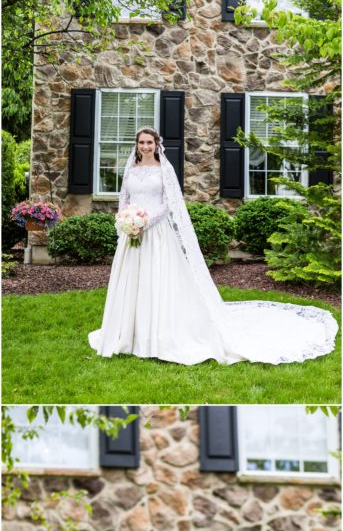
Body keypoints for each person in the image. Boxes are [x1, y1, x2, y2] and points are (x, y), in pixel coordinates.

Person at [88, 127, 337, 365]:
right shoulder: (130, 169)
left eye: (149, 142)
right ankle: (127, 332)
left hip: (156, 233)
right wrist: (125, 220)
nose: (145, 146)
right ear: (137, 145)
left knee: (156, 280)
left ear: (156, 145)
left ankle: (156, 334)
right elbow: (124, 197)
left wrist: (145, 222)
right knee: (131, 281)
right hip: (131, 234)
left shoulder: (164, 169)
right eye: (141, 142)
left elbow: (169, 203)